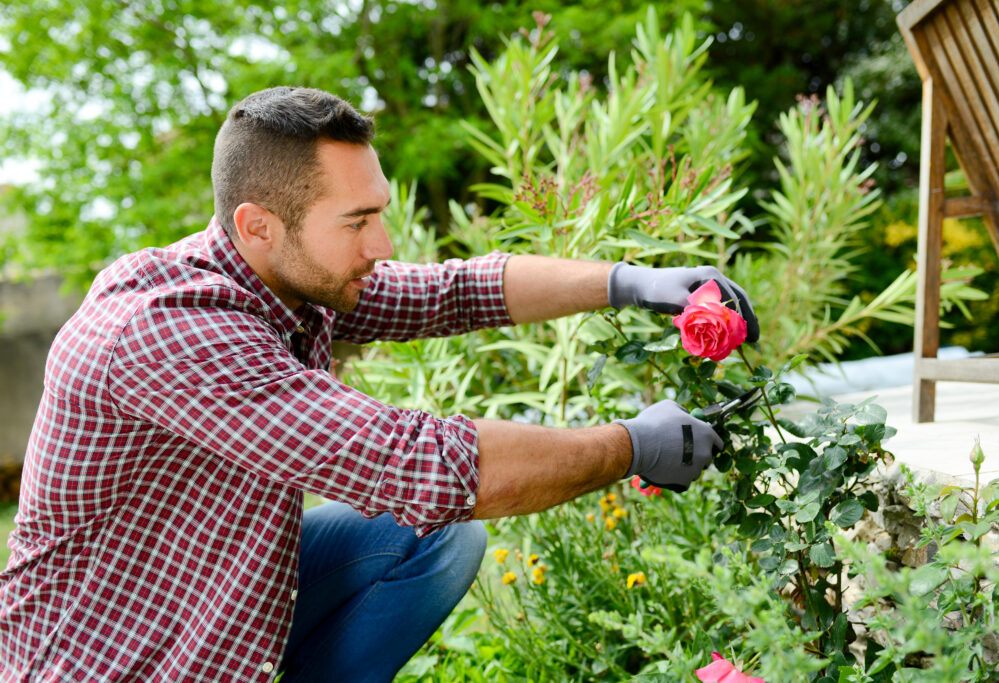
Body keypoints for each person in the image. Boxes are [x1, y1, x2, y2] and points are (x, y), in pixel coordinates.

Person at [0, 86, 759, 683]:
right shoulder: (174, 329)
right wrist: (632, 446)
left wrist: (634, 283)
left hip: (211, 610)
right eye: (357, 220)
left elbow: (458, 290)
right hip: (107, 664)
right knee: (438, 505)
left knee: (435, 543)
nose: (382, 245)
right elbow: (423, 463)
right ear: (258, 223)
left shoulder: (291, 279)